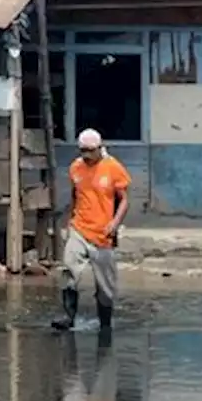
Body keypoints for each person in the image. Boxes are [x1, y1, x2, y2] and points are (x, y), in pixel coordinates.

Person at [52, 129, 131, 331]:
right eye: (82, 151)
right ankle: (68, 318)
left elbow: (124, 200)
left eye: (90, 151)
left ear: (99, 148)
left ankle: (105, 325)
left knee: (105, 287)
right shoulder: (75, 168)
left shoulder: (113, 168)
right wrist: (70, 221)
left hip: (103, 234)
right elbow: (75, 195)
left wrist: (115, 223)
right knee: (69, 269)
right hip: (79, 228)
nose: (86, 155)